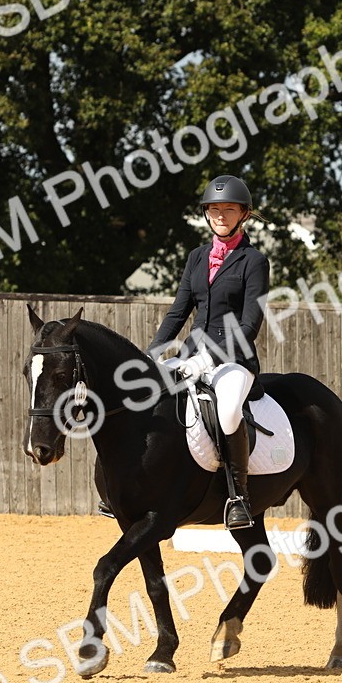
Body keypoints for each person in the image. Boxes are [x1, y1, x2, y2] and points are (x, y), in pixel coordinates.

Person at [98, 175, 270, 529]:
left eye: (229, 209)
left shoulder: (254, 261)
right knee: (146, 398)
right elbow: (178, 311)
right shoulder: (197, 257)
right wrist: (152, 354)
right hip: (190, 352)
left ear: (244, 215)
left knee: (227, 411)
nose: (221, 215)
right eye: (215, 209)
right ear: (207, 214)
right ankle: (122, 489)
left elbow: (250, 323)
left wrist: (209, 359)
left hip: (234, 359)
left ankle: (239, 496)